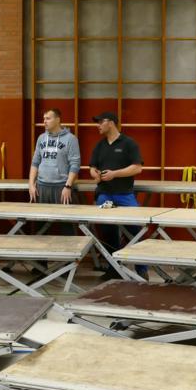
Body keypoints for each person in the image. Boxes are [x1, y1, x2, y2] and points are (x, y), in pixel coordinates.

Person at [88, 111, 147, 281]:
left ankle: (142, 269)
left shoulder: (129, 143)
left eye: (101, 122)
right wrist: (95, 174)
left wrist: (115, 174)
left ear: (111, 122)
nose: (98, 125)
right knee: (107, 233)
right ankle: (113, 268)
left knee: (135, 229)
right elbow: (92, 167)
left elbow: (137, 168)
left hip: (125, 195)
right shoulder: (100, 145)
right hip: (105, 195)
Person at [29, 108, 80, 205]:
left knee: (62, 215)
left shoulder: (71, 139)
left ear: (57, 120)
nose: (44, 121)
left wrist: (68, 186)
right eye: (44, 119)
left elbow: (75, 164)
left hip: (61, 187)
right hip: (41, 186)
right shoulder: (41, 138)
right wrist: (31, 184)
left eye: (48, 118)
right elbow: (35, 162)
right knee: (40, 215)